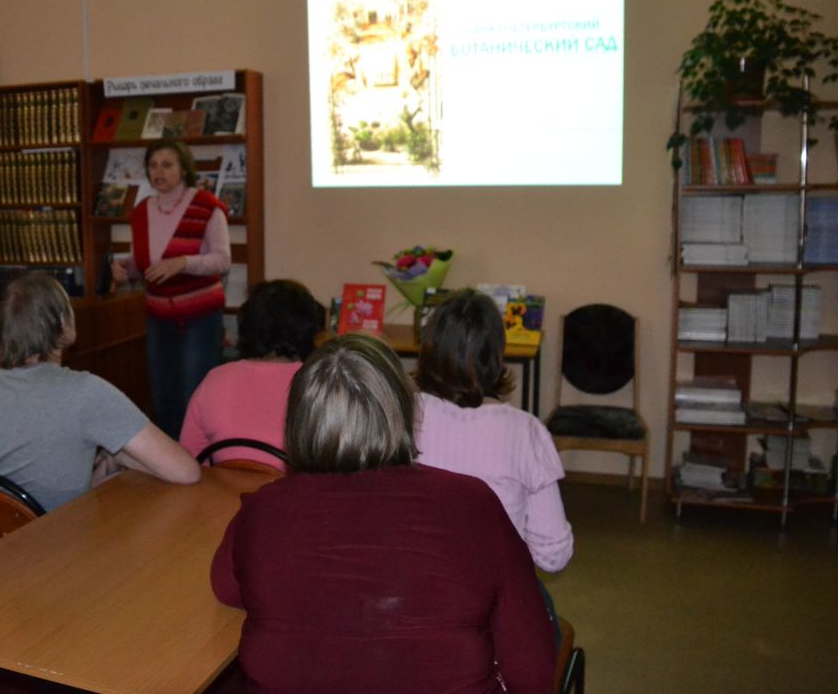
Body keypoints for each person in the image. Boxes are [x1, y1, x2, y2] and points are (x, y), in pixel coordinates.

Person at [211, 334, 555, 693]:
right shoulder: (473, 503)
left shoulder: (263, 509)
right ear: (402, 413)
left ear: (298, 421)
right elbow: (532, 671)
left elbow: (226, 587)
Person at [0, 271, 200, 511]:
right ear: (62, 323)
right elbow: (186, 471)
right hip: (55, 534)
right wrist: (120, 453)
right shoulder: (85, 392)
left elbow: (32, 473)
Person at [415, 288, 574, 573]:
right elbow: (554, 557)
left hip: (415, 586)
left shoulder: (399, 415)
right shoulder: (526, 432)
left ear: (429, 349)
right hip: (491, 590)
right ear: (497, 355)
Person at [111, 139, 231, 439]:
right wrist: (124, 268)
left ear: (184, 169)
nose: (158, 172)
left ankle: (199, 458)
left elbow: (222, 260)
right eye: (153, 166)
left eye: (167, 165)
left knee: (194, 396)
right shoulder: (141, 211)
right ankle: (169, 460)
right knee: (163, 397)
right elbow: (143, 263)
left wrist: (182, 263)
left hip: (200, 318)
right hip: (158, 318)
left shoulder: (207, 206)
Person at [179, 279, 324, 470]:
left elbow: (191, 456)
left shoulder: (215, 378)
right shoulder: (317, 383)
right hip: (291, 488)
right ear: (308, 329)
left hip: (226, 487)